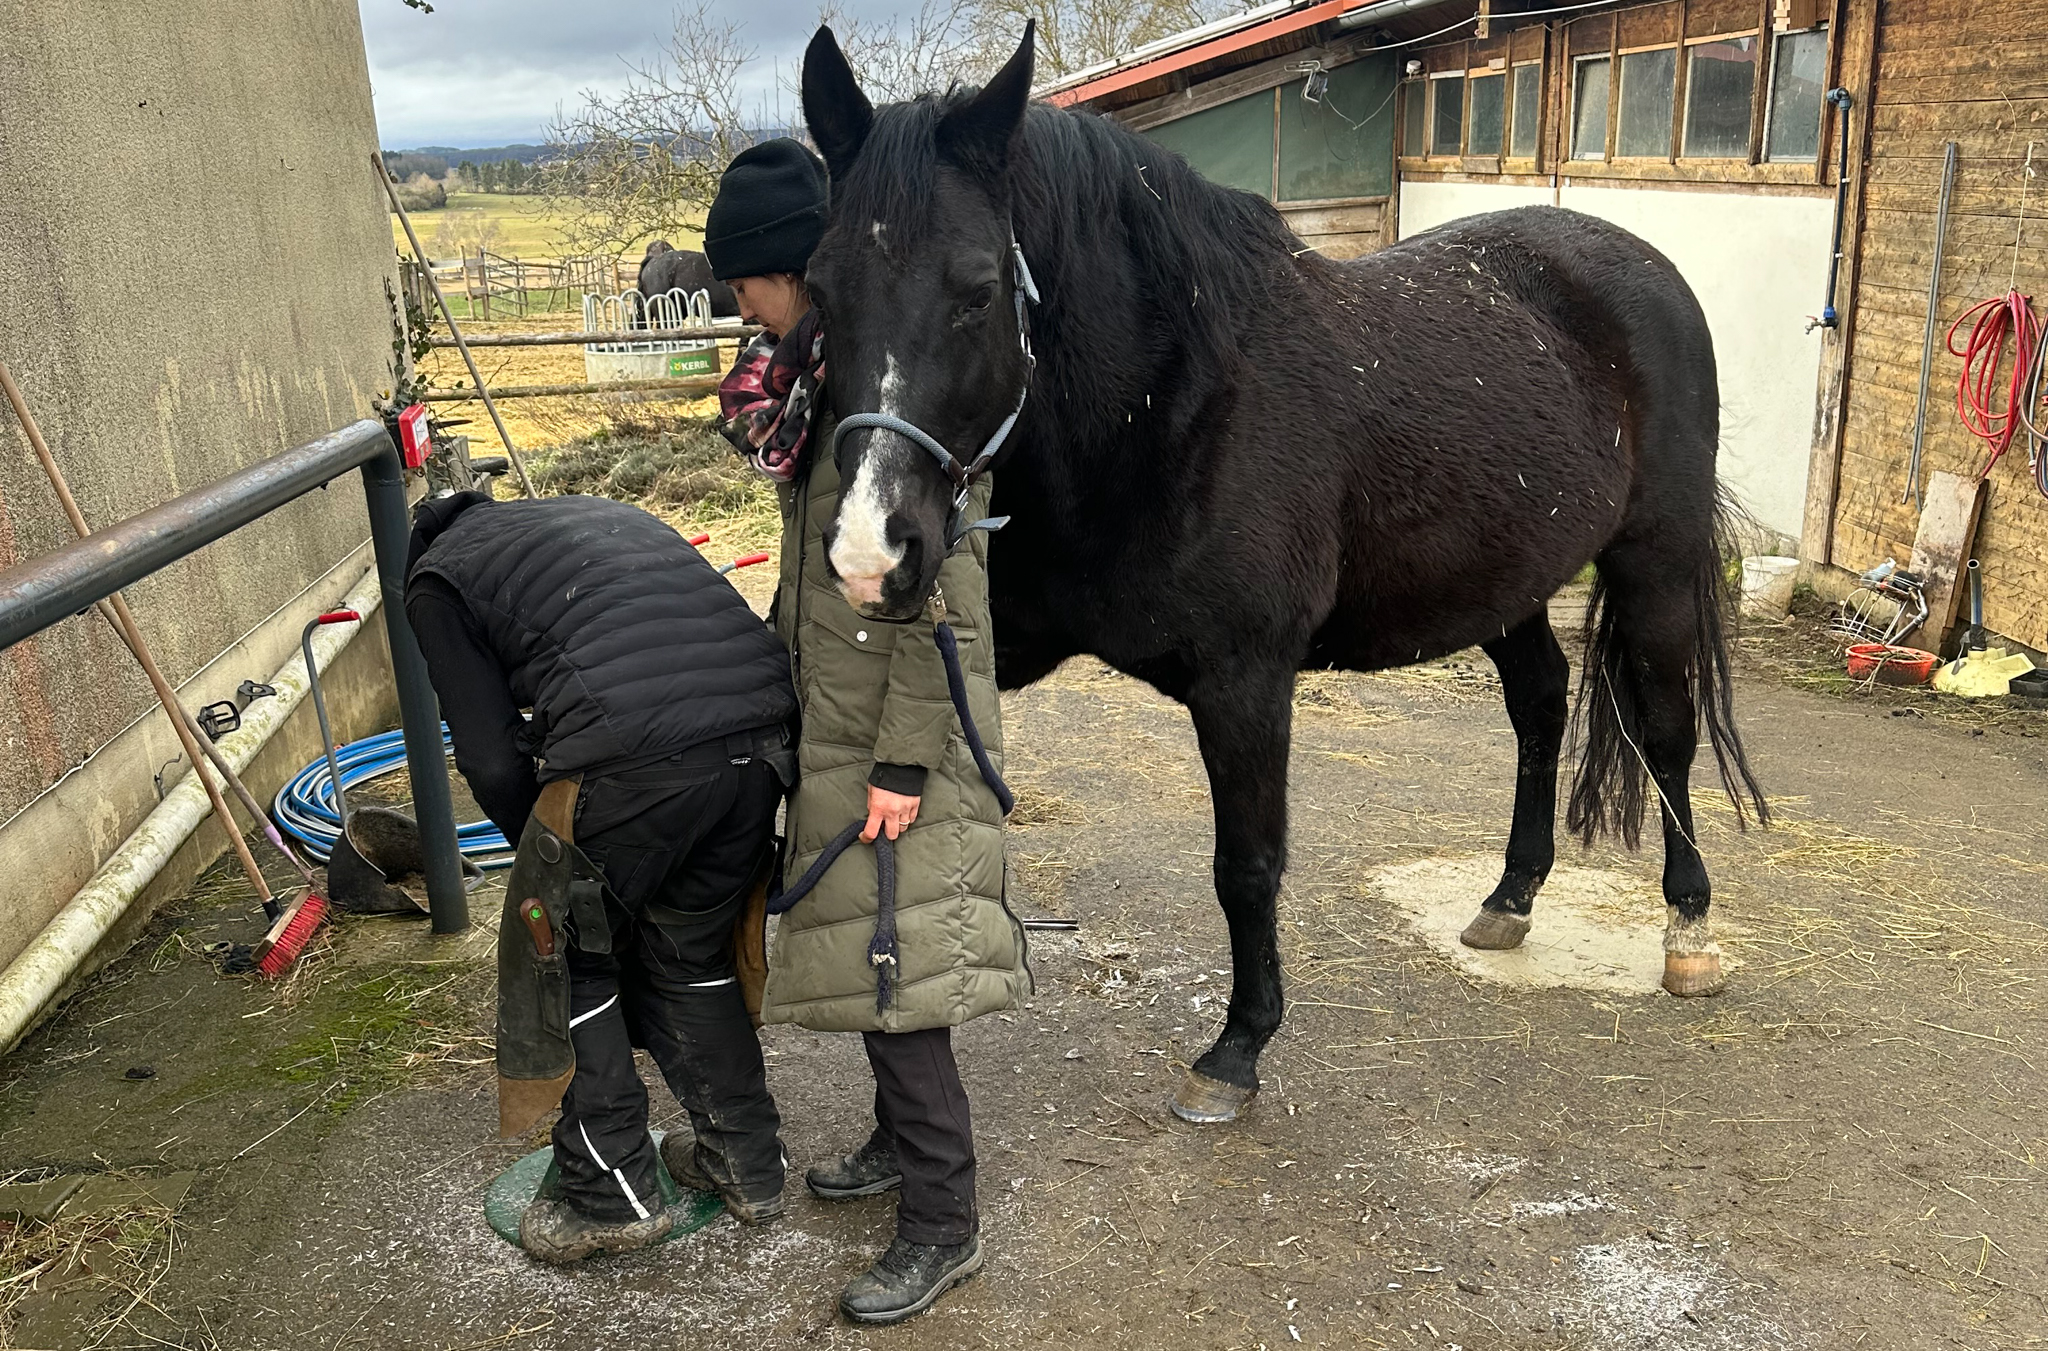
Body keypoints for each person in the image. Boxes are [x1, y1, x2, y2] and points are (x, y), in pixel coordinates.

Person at [706, 138, 1030, 1326]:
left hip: (902, 752)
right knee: (871, 960)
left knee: (904, 984)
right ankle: (899, 1150)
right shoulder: (831, 409)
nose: (738, 307)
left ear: (803, 276)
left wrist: (898, 759)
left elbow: (947, 616)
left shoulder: (904, 428)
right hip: (842, 726)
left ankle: (945, 1224)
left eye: (747, 282)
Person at [404, 490, 797, 1263]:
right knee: (692, 956)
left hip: (640, 754)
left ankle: (611, 1192)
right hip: (764, 734)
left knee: (570, 962)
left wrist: (550, 863)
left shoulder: (435, 581)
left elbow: (488, 753)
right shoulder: (587, 518)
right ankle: (749, 1164)